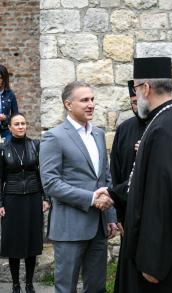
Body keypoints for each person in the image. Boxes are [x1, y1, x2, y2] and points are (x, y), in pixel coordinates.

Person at [116, 57, 172, 293]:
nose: (136, 94)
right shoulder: (169, 119)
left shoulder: (163, 128)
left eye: (135, 89)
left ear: (145, 88)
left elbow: (162, 197)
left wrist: (153, 262)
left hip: (158, 266)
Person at [39, 81, 117, 293]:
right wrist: (92, 198)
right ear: (68, 104)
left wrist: (110, 217)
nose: (91, 104)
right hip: (69, 228)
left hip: (99, 227)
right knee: (66, 288)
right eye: (84, 100)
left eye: (92, 99)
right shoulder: (54, 137)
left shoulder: (98, 134)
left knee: (97, 287)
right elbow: (51, 183)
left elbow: (105, 178)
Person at [0, 113, 50, 293]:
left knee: (31, 242)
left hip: (33, 198)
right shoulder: (3, 148)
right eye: (17, 124)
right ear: (10, 127)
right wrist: (0, 204)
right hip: (11, 199)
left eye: (23, 123)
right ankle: (15, 284)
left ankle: (29, 284)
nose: (21, 126)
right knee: (14, 243)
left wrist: (45, 198)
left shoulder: (35, 145)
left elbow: (41, 174)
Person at [110, 80, 146, 227]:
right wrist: (118, 216)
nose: (137, 107)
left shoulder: (162, 125)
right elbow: (115, 171)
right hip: (128, 208)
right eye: (134, 103)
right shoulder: (124, 129)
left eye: (139, 102)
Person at [0, 65, 18, 141]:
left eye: (0, 78)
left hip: (6, 130)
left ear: (5, 79)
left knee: (8, 150)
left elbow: (16, 115)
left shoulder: (10, 94)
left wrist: (6, 118)